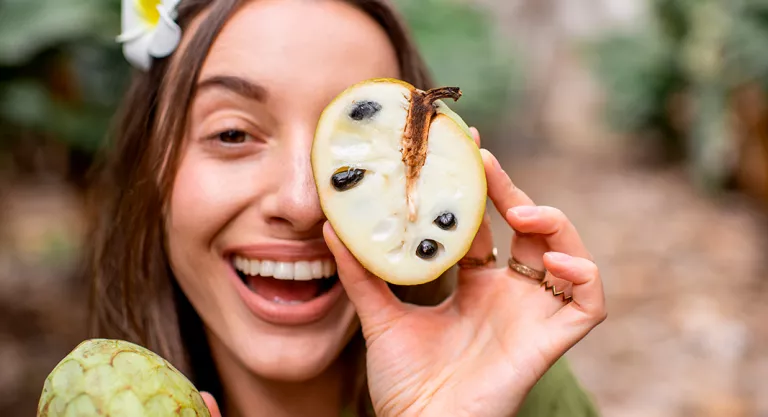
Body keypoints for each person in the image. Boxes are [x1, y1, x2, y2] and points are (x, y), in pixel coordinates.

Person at [85, 0, 607, 416]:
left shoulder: (518, 390)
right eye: (232, 133)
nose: (302, 203)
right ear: (148, 166)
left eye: (349, 146)